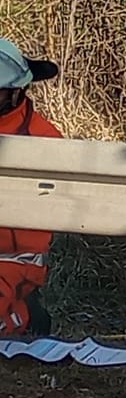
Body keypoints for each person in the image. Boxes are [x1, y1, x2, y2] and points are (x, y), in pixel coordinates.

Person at [0, 38, 61, 339]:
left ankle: (26, 314)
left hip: (14, 261)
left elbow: (32, 242)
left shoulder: (44, 141)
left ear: (17, 91)